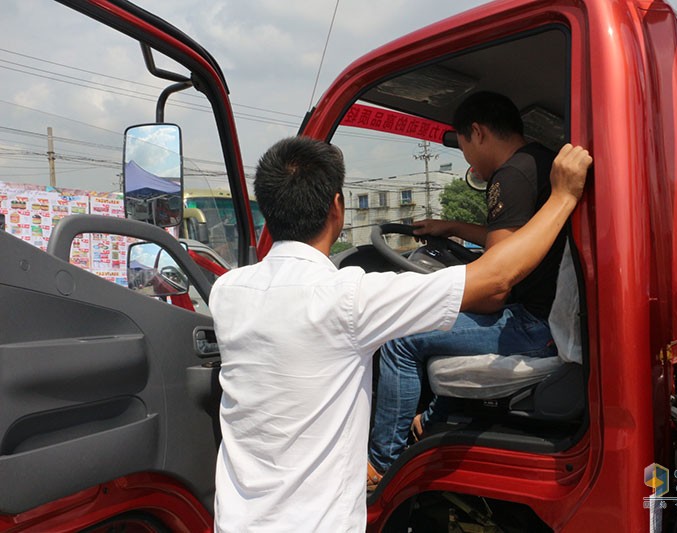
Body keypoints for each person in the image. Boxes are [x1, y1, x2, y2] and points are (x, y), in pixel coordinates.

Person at [210, 135, 591, 532]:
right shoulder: (351, 298)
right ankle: (385, 463)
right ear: (337, 208)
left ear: (268, 212)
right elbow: (494, 281)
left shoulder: (227, 292)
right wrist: (563, 196)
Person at [368, 91, 569, 484]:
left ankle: (381, 467)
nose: (468, 162)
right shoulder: (539, 161)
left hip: (532, 324)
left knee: (400, 341)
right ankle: (429, 423)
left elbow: (494, 286)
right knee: (444, 330)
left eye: (463, 149)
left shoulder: (509, 176)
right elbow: (516, 240)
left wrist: (432, 297)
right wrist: (456, 228)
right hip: (549, 317)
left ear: (476, 132)